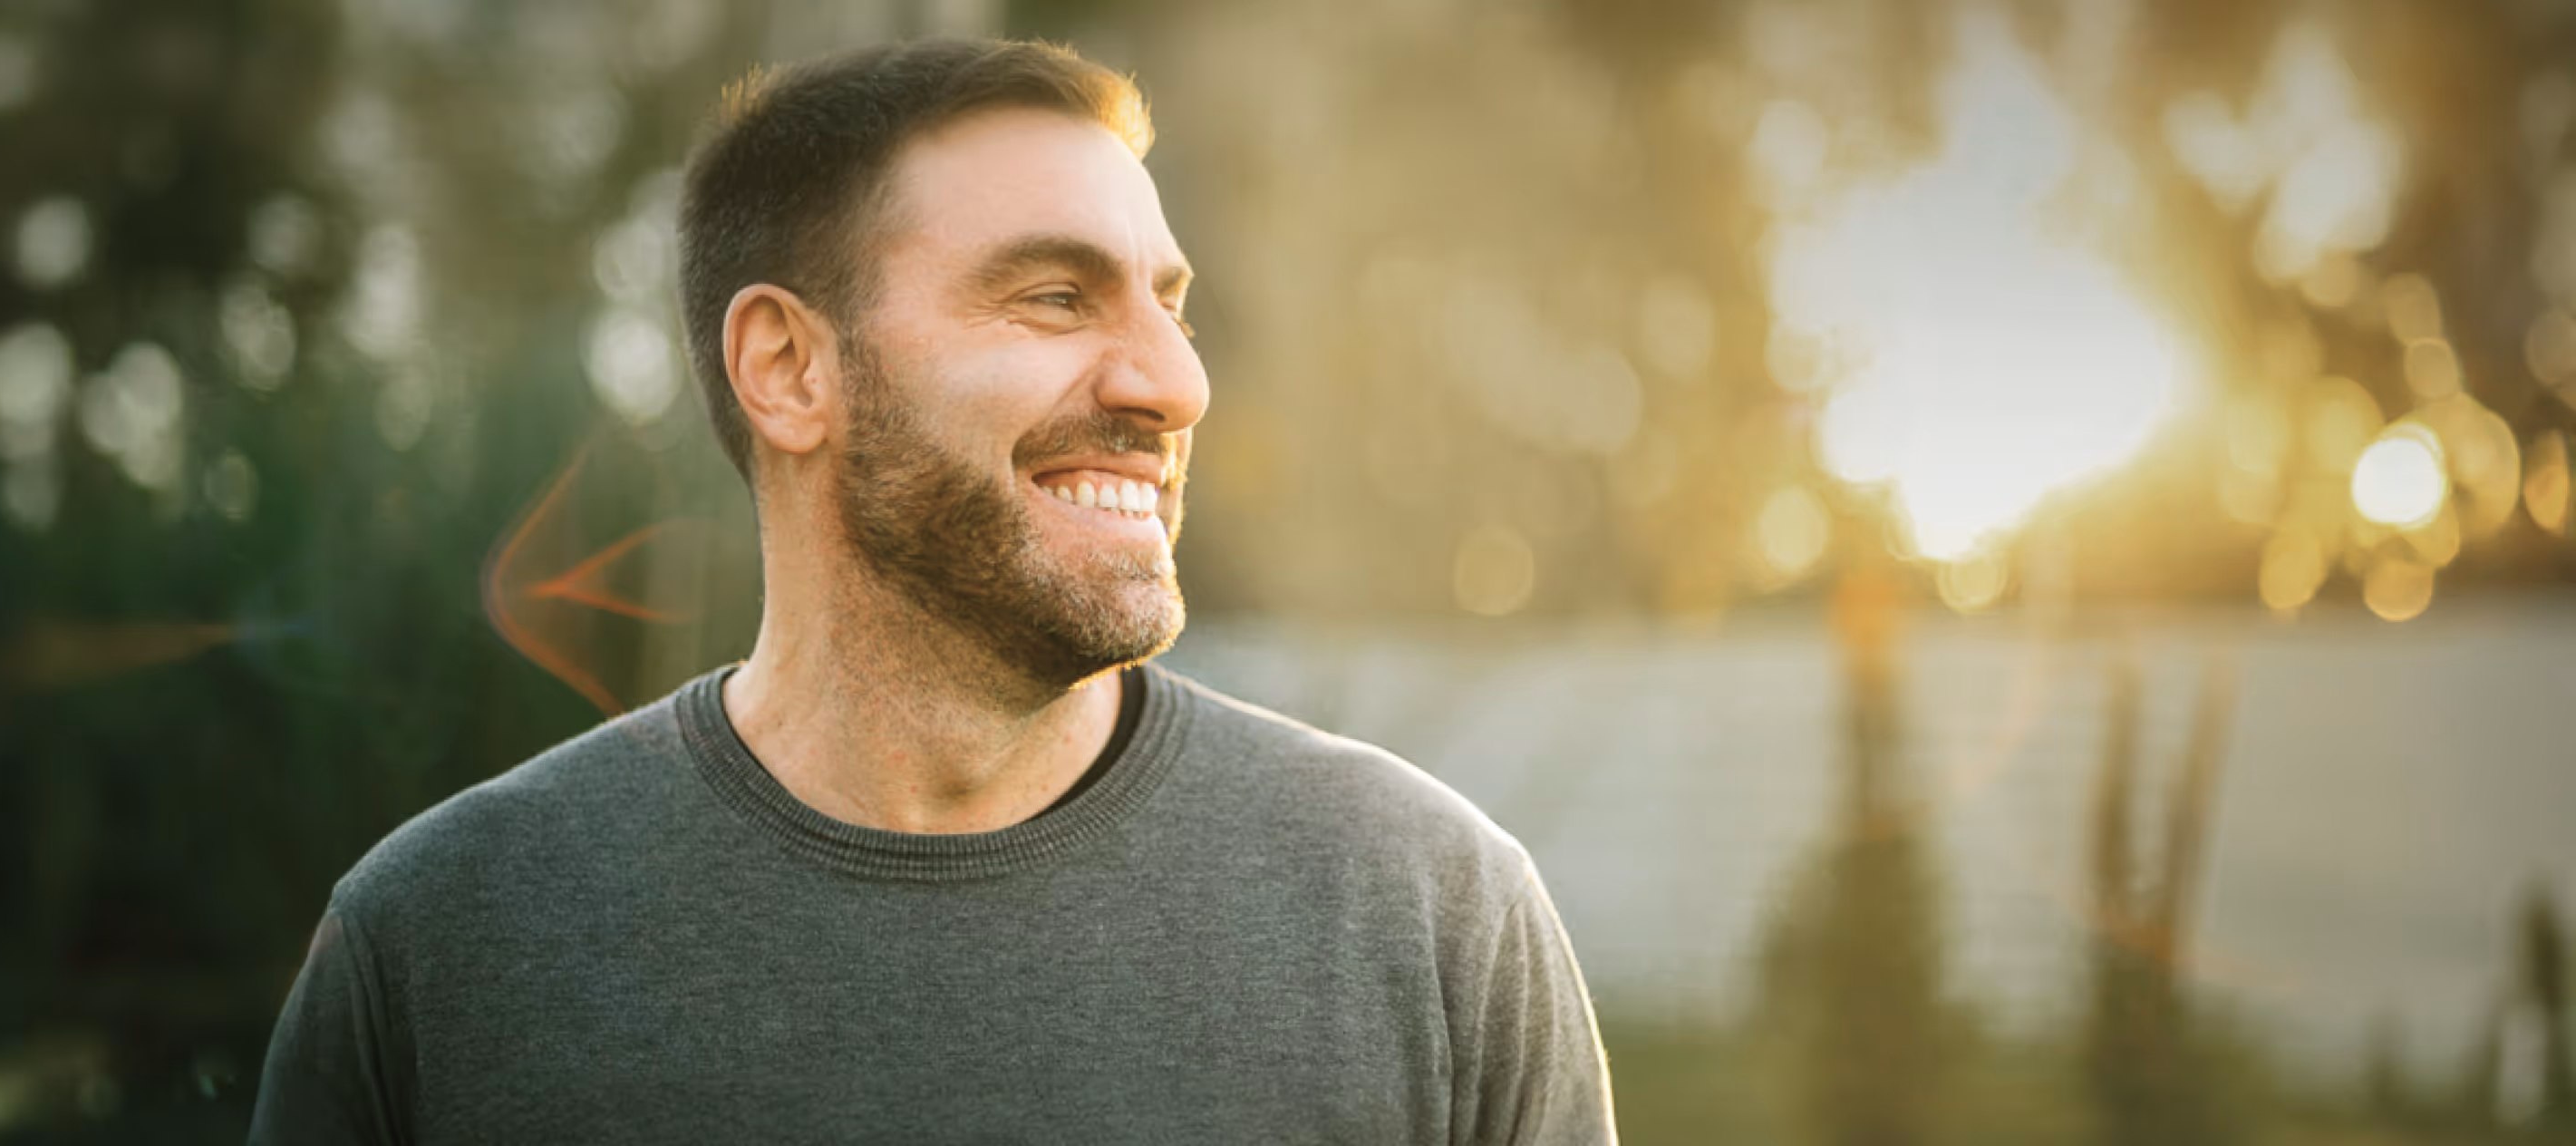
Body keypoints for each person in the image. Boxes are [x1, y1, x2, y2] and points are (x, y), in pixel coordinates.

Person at [251, 37, 1614, 1144]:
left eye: (1169, 305)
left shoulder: (1429, 915)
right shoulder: (442, 952)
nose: (1173, 383)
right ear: (789, 369)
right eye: (1054, 298)